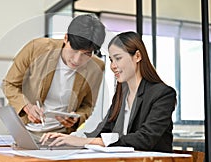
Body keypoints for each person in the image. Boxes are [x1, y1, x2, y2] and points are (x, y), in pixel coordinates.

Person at [40, 31, 177, 153]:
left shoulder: (163, 94)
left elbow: (145, 139)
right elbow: (102, 132)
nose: (113, 66)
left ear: (137, 56)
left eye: (118, 58)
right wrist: (70, 139)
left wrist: (83, 142)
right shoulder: (121, 95)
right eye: (111, 60)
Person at [2, 14, 106, 135]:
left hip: (60, 136)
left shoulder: (97, 67)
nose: (77, 60)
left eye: (86, 54)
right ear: (66, 38)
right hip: (23, 130)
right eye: (74, 50)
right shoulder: (36, 48)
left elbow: (88, 105)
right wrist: (26, 106)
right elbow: (9, 84)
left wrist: (77, 118)